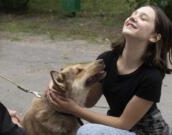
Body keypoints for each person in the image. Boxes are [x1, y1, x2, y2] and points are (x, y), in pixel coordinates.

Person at [46, 5, 172, 135]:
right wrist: (60, 84)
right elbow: (89, 101)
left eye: (143, 18)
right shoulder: (107, 59)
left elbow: (123, 124)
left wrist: (73, 109)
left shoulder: (152, 77)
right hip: (117, 129)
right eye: (134, 14)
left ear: (154, 37)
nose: (134, 17)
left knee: (88, 131)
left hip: (147, 132)